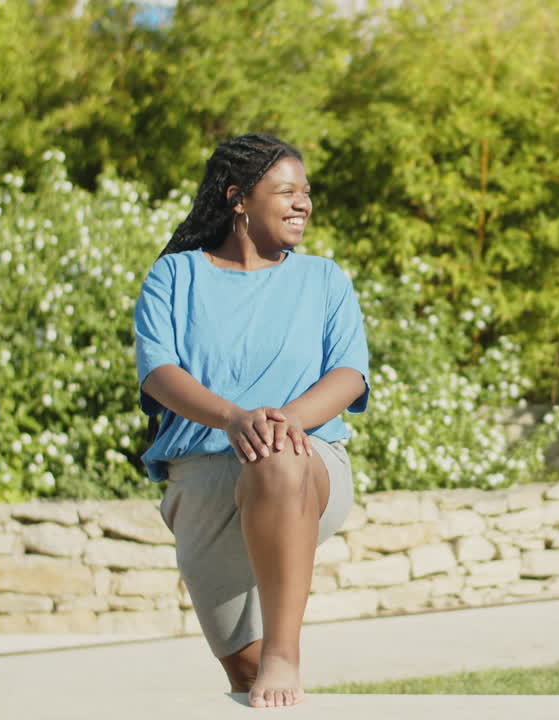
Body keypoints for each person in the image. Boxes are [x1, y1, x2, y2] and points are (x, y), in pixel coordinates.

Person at [134, 133, 369, 708]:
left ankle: (285, 654)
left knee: (277, 460)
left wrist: (283, 423)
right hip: (205, 475)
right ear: (238, 197)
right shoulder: (174, 278)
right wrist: (234, 418)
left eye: (306, 192)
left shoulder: (324, 280)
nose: (303, 203)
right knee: (243, 673)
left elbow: (349, 374)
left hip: (305, 464)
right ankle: (266, 663)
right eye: (287, 191)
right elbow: (158, 371)